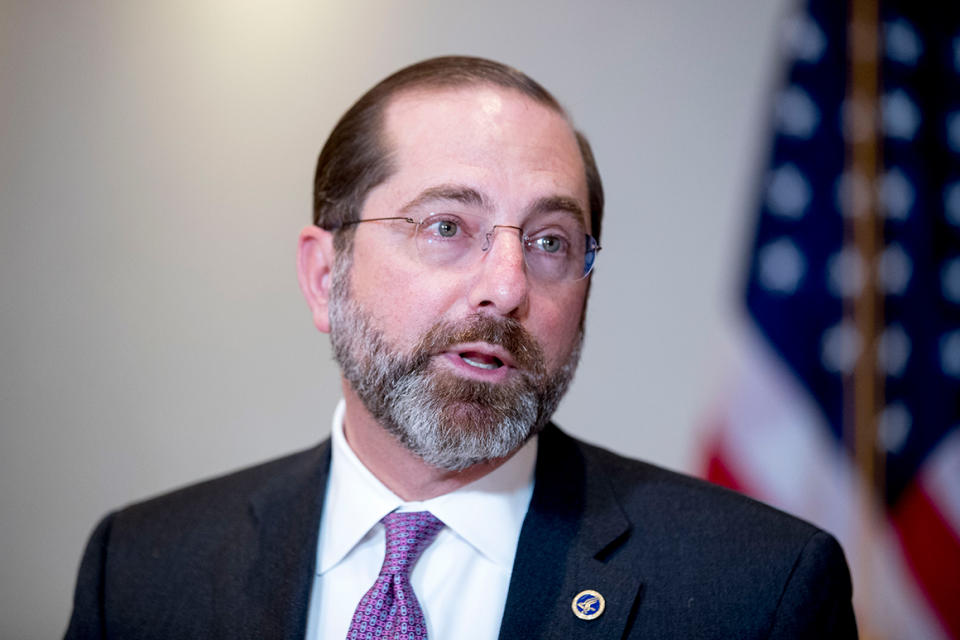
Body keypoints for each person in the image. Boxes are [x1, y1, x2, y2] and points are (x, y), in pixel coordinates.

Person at [64, 56, 857, 639]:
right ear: (323, 275)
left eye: (550, 241)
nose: (508, 286)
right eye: (447, 226)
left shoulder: (756, 591)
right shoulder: (138, 569)